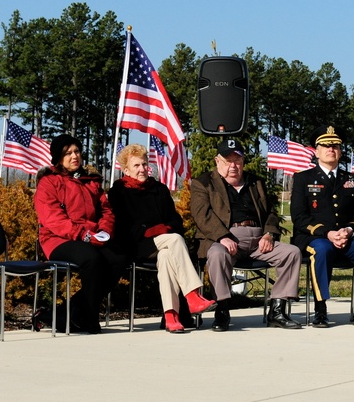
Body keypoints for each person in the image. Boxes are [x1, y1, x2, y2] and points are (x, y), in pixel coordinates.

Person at [190, 139, 303, 331]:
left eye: (238, 161)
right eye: (228, 161)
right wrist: (222, 237)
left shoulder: (255, 182)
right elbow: (202, 215)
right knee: (217, 254)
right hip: (225, 239)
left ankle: (277, 310)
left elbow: (271, 213)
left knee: (291, 253)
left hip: (258, 240)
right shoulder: (203, 183)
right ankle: (222, 311)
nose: (233, 166)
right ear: (218, 161)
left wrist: (269, 234)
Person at [107, 144, 218, 333]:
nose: (142, 169)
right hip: (135, 245)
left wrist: (165, 228)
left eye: (144, 164)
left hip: (164, 243)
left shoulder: (159, 189)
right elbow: (121, 226)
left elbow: (175, 219)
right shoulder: (118, 192)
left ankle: (171, 315)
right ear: (126, 169)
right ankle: (192, 295)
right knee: (174, 240)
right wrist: (148, 231)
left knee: (167, 256)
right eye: (136, 166)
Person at [34, 134, 128, 333]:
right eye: (68, 153)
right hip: (58, 240)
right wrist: (84, 235)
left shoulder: (90, 181)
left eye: (77, 151)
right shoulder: (49, 182)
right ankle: (90, 319)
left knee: (118, 258)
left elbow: (106, 210)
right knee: (91, 260)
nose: (74, 156)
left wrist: (104, 231)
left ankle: (67, 311)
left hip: (91, 237)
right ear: (58, 158)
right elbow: (53, 219)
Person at [290, 125, 354, 328]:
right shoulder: (303, 178)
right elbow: (299, 217)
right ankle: (320, 309)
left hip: (348, 237)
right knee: (321, 249)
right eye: (326, 145)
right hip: (315, 237)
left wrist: (348, 230)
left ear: (340, 151)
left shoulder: (353, 180)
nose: (331, 149)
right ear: (316, 150)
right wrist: (327, 233)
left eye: (335, 146)